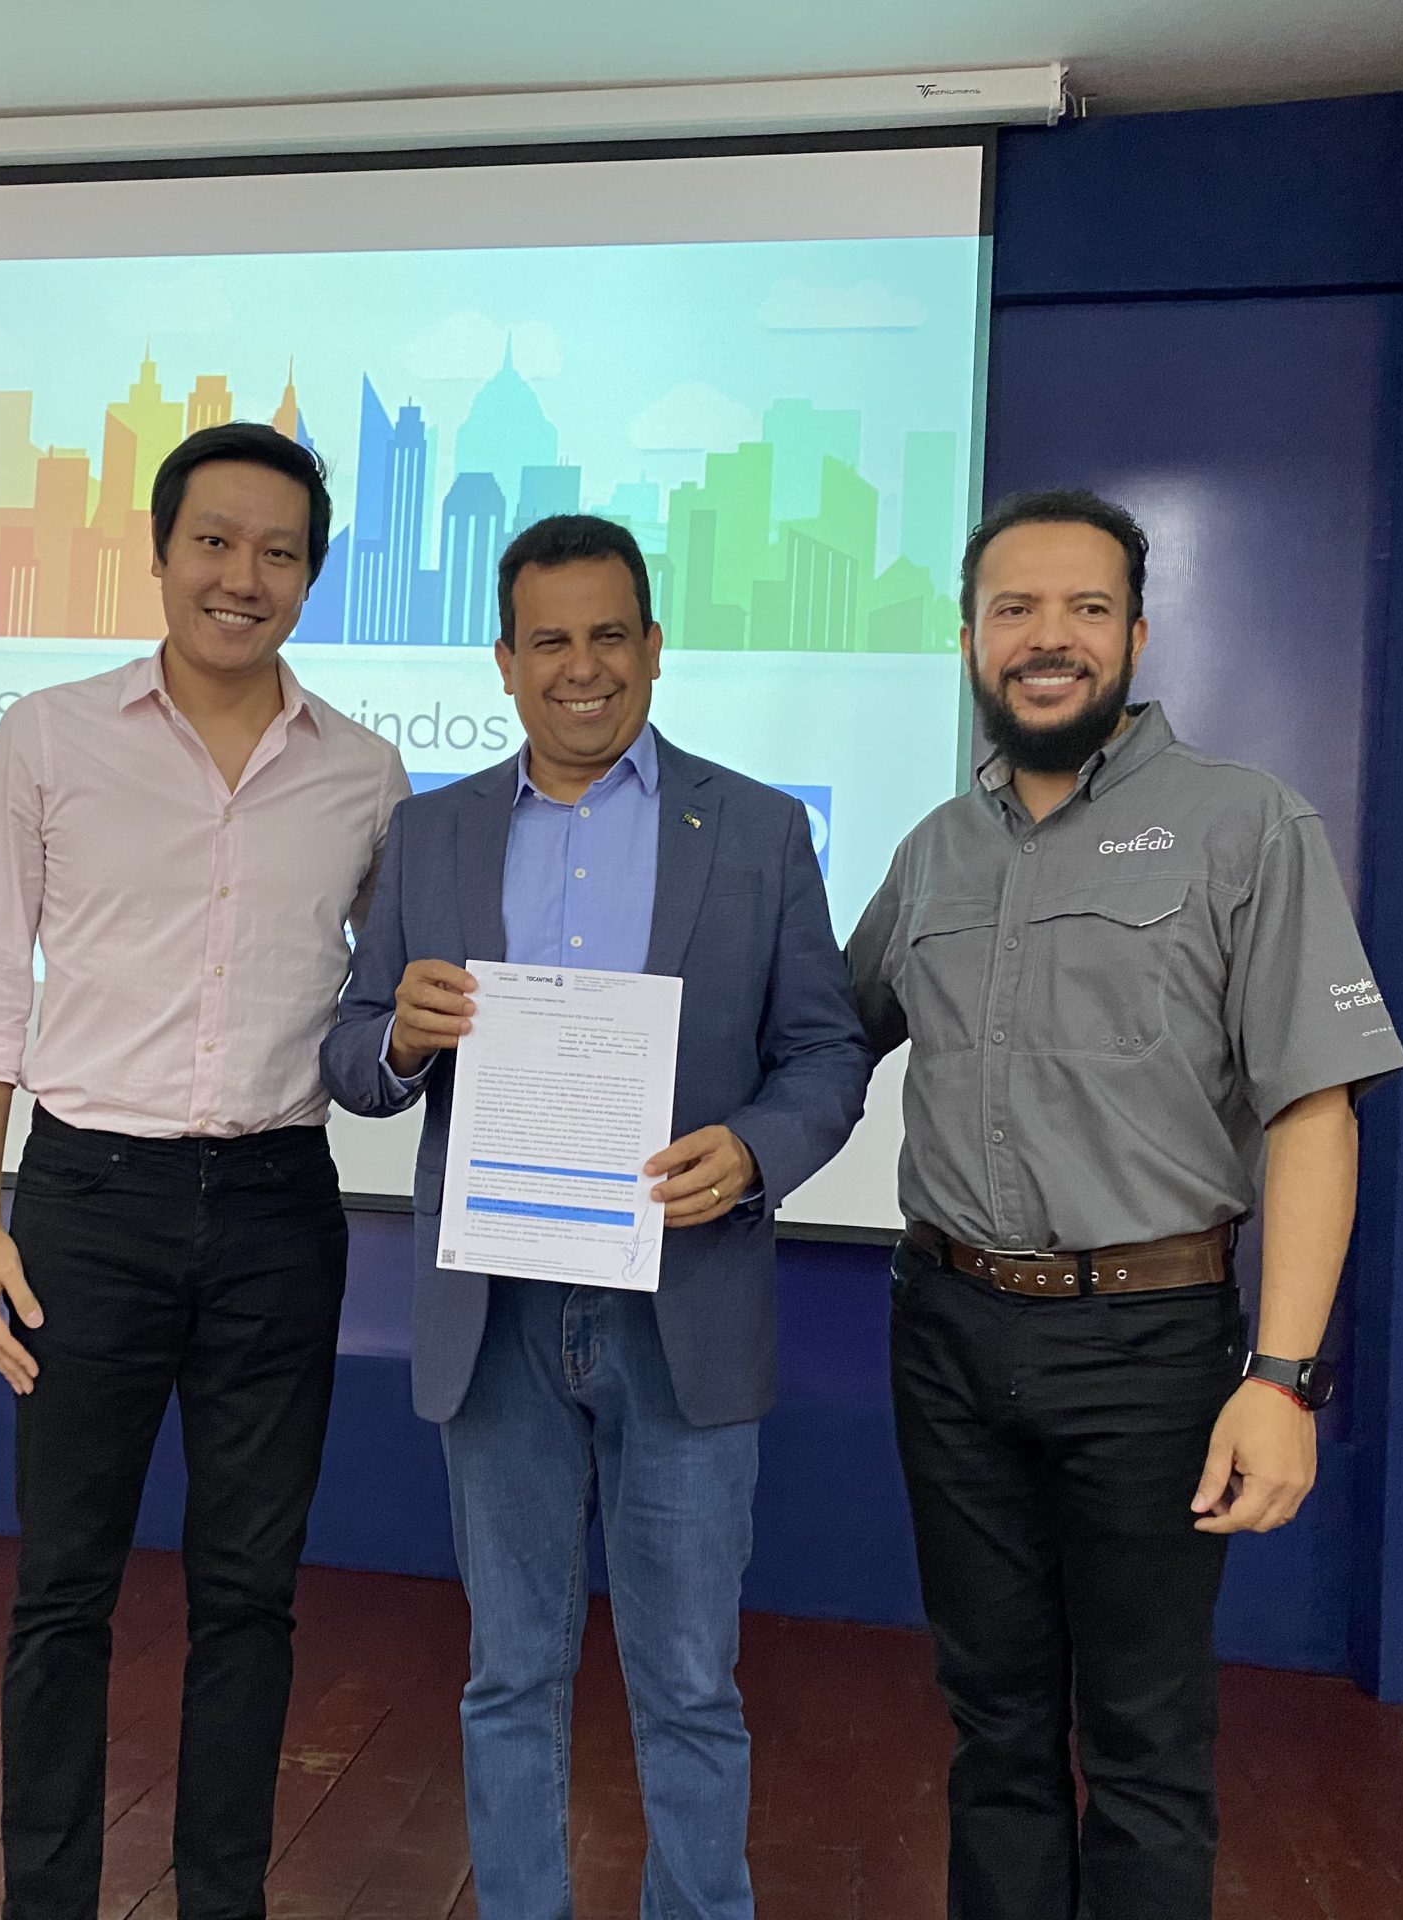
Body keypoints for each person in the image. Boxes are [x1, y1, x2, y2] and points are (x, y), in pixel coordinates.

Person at [847, 488, 1403, 1920]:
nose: (1049, 639)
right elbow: (817, 1044)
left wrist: (1282, 1378)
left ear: (1138, 637)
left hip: (1149, 1348)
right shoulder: (932, 852)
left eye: (1086, 609)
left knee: (1145, 1743)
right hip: (947, 1334)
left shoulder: (1245, 825)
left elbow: (1315, 1111)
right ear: (968, 640)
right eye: (1014, 610)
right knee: (994, 1726)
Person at [321, 514, 871, 1920]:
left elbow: (826, 1054)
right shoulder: (430, 832)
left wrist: (754, 1153)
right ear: (503, 663)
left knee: (689, 1680)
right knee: (509, 1673)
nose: (584, 667)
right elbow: (352, 1056)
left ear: (656, 647)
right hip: (494, 1312)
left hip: (685, 1304)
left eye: (610, 635)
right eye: (550, 641)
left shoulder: (757, 830)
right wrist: (403, 1040)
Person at [0, 422, 406, 1920]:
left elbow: (388, 1008)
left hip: (278, 1210)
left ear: (312, 577)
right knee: (62, 1588)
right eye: (214, 541)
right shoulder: (50, 737)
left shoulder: (367, 774)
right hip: (87, 1206)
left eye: (279, 552)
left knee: (250, 1598)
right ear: (158, 552)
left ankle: (223, 1900)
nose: (241, 576)